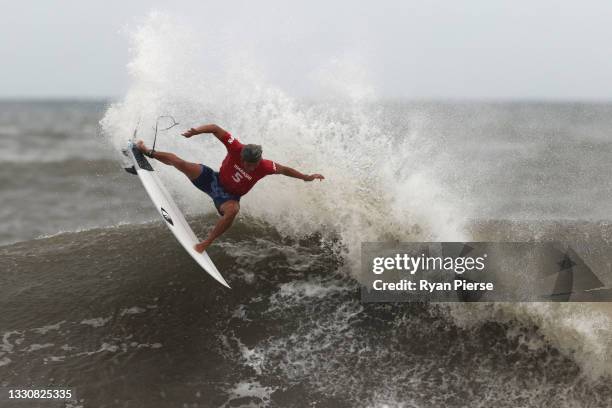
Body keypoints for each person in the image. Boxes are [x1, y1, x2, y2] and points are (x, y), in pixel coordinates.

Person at [136, 123, 324, 253]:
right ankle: (147, 152)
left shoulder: (266, 166)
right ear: (242, 155)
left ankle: (206, 243)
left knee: (233, 210)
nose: (250, 167)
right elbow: (215, 129)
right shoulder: (236, 148)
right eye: (246, 163)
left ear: (259, 160)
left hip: (228, 198)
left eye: (253, 164)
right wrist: (196, 131)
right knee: (181, 163)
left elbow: (285, 170)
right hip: (212, 180)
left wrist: (306, 177)